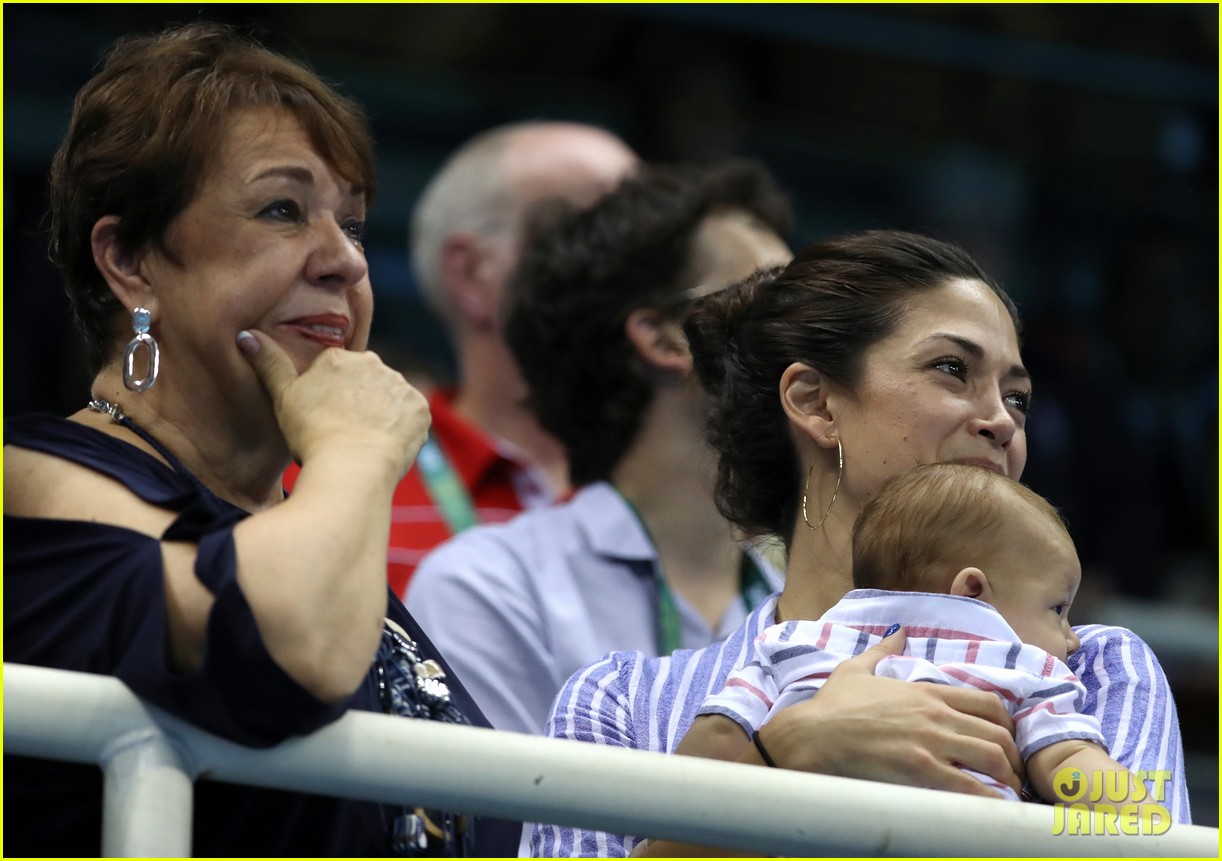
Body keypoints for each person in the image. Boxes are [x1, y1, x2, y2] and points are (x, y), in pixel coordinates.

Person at [3, 23, 517, 857]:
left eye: (351, 224)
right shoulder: (27, 482)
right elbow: (292, 652)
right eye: (283, 209)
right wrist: (353, 451)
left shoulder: (304, 523)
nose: (346, 263)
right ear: (130, 259)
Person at [533, 229, 1189, 857]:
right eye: (952, 368)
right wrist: (782, 757)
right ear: (815, 403)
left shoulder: (1094, 670)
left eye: (1017, 399)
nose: (1000, 422)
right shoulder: (620, 701)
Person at [406, 160, 794, 740]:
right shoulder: (490, 588)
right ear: (666, 337)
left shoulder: (809, 603)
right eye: (773, 297)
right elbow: (522, 834)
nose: (812, 331)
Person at [681, 462, 1148, 812]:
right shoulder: (1025, 667)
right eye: (1058, 610)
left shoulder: (795, 642)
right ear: (973, 591)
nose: (1072, 640)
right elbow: (1067, 759)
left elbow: (717, 738)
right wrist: (1151, 821)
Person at [387, 120, 639, 595]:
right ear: (473, 272)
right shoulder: (347, 488)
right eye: (600, 232)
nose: (650, 269)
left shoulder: (696, 494)